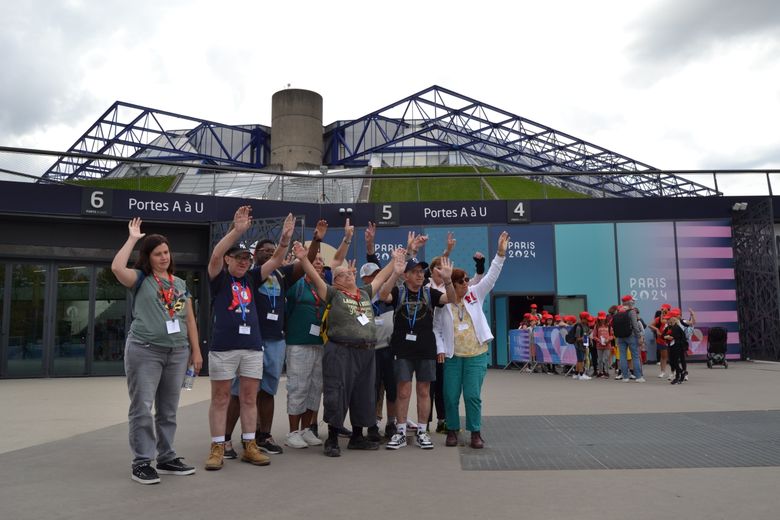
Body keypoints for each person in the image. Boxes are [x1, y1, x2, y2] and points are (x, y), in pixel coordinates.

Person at [223, 220, 327, 457]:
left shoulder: (282, 274)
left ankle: (263, 435)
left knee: (268, 391)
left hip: (276, 340)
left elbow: (306, 264)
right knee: (241, 392)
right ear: (254, 256)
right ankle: (227, 439)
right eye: (264, 252)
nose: (269, 254)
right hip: (251, 341)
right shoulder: (249, 276)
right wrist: (235, 229)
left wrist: (317, 240)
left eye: (272, 251)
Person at [291, 242, 405, 457]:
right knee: (337, 391)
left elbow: (380, 278)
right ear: (336, 281)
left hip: (367, 351)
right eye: (343, 274)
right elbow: (316, 279)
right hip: (341, 349)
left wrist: (395, 260)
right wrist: (303, 259)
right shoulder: (333, 294)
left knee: (364, 394)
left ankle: (357, 436)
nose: (349, 275)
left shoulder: (363, 293)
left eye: (350, 273)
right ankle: (332, 439)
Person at [111, 218, 203, 485]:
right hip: (145, 350)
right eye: (157, 253)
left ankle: (166, 457)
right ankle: (141, 462)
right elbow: (117, 267)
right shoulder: (140, 279)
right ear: (148, 257)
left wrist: (195, 352)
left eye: (166, 252)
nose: (164, 257)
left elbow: (189, 320)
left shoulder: (180, 284)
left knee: (168, 409)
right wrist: (132, 239)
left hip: (177, 353)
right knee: (142, 407)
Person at [204, 207, 293, 470]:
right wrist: (238, 231)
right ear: (229, 260)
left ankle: (250, 444)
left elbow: (276, 260)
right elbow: (216, 254)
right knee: (221, 398)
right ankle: (217, 447)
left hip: (253, 348)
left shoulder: (253, 278)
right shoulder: (219, 278)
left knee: (249, 398)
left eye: (247, 259)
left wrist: (285, 239)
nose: (244, 262)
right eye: (239, 258)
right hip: (223, 348)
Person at [434, 231, 509, 449]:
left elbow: (492, 275)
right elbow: (436, 329)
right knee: (450, 396)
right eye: (463, 281)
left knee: (472, 396)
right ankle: (452, 430)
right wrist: (440, 348)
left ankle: (475, 432)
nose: (467, 283)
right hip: (453, 356)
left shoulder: (476, 293)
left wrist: (500, 254)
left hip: (476, 354)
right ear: (454, 284)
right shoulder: (443, 301)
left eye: (468, 280)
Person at [380, 254, 456, 450]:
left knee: (424, 391)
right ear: (405, 275)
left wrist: (448, 281)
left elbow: (452, 299)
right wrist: (393, 273)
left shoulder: (430, 293)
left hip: (426, 351)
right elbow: (382, 296)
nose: (420, 275)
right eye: (415, 272)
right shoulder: (398, 292)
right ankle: (401, 432)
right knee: (403, 391)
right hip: (402, 350)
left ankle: (423, 431)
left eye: (422, 271)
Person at [283, 249, 329, 449]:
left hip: (320, 344)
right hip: (298, 343)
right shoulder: (296, 285)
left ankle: (306, 430)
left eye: (321, 261)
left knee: (315, 388)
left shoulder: (324, 287)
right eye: (315, 260)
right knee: (298, 387)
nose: (318, 263)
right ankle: (292, 432)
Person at [614, 295, 646, 383]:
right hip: (631, 336)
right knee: (635, 356)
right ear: (630, 302)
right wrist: (639, 337)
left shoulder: (619, 312)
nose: (634, 302)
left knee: (622, 356)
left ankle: (625, 377)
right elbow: (635, 326)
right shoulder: (632, 312)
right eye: (632, 301)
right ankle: (638, 377)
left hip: (620, 337)